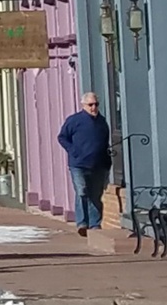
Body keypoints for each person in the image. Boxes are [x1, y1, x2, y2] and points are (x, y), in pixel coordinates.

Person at [58, 92, 112, 235]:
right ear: (83, 105)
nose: (93, 107)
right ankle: (82, 223)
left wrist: (107, 163)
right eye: (90, 105)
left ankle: (95, 224)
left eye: (96, 104)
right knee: (82, 191)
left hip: (99, 164)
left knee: (95, 194)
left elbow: (105, 142)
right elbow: (62, 137)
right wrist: (73, 150)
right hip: (78, 164)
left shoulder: (102, 122)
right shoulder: (74, 120)